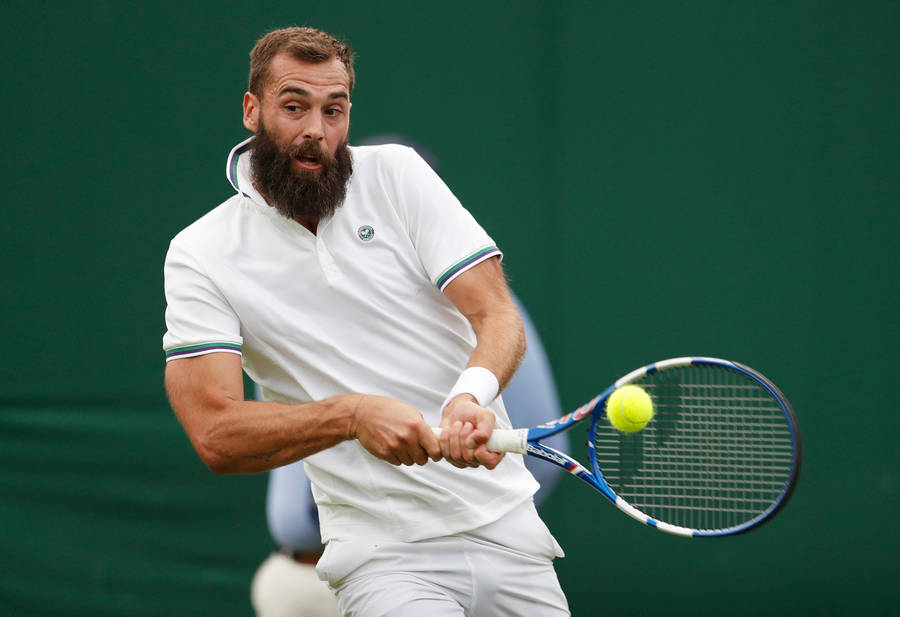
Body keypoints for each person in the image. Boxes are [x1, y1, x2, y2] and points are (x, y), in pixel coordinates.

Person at [163, 26, 569, 616]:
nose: (315, 132)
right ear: (252, 110)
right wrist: (352, 415)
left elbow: (497, 313)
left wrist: (469, 396)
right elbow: (214, 433)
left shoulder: (399, 175)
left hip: (509, 532)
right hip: (384, 557)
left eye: (335, 110)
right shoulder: (200, 253)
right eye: (294, 106)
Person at [250, 295, 569, 617]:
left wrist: (456, 536)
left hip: (400, 575)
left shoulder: (474, 299)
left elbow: (544, 455)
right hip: (308, 580)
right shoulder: (275, 300)